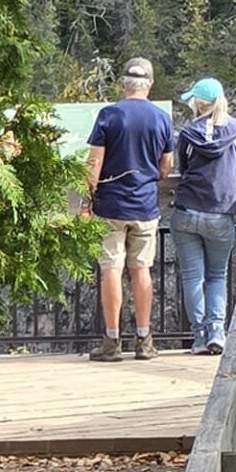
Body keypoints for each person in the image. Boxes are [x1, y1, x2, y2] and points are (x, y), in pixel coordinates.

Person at [85, 59, 176, 363]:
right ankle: (144, 340)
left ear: (123, 85)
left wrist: (88, 198)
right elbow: (166, 167)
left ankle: (111, 342)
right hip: (145, 205)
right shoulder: (162, 118)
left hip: (110, 204)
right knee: (141, 270)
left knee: (111, 268)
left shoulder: (109, 114)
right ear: (149, 84)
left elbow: (94, 162)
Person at [172, 77, 236, 357]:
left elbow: (183, 170)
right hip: (221, 213)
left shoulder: (187, 133)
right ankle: (217, 333)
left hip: (186, 211)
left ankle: (199, 337)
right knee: (216, 275)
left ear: (198, 103)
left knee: (192, 276)